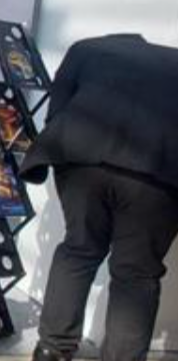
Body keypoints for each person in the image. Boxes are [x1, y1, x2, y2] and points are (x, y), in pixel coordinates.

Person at [20, 34, 178, 361]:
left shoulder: (87, 48)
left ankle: (52, 349)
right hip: (155, 173)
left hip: (81, 158)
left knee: (79, 249)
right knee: (136, 274)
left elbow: (56, 111)